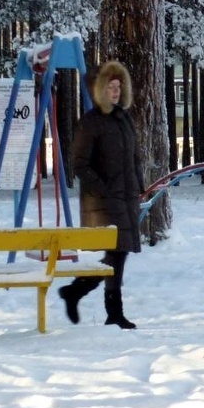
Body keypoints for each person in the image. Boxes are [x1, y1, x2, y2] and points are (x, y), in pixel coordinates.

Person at [59, 59, 142, 329]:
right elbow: (80, 163)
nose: (115, 92)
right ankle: (107, 308)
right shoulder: (91, 122)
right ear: (98, 90)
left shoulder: (123, 118)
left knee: (119, 255)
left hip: (126, 198)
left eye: (118, 86)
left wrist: (138, 187)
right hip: (104, 201)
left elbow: (133, 158)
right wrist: (103, 189)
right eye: (110, 87)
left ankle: (79, 293)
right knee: (117, 254)